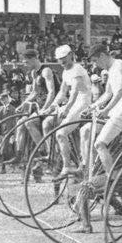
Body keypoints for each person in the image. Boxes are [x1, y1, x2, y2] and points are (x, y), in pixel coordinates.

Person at [88, 44, 122, 175]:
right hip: (117, 110)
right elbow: (108, 93)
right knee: (88, 132)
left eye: (95, 60)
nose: (95, 64)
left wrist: (107, 110)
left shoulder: (119, 65)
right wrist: (92, 107)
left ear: (103, 56)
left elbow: (120, 91)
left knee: (99, 144)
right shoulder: (110, 69)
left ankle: (112, 178)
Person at [45, 44, 93, 177]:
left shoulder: (77, 69)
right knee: (48, 122)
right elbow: (62, 92)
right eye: (60, 62)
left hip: (83, 102)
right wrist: (52, 106)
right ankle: (54, 154)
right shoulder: (66, 72)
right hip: (75, 102)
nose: (63, 64)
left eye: (64, 61)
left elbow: (75, 92)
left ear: (71, 55)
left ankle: (67, 165)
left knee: (60, 133)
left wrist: (67, 108)